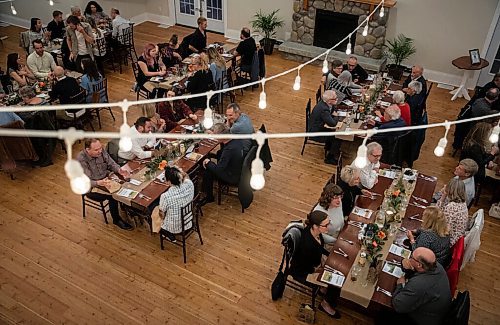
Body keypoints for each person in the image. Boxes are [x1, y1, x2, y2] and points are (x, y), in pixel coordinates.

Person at [288, 211, 341, 318]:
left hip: (311, 266)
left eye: (328, 223)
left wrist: (330, 255)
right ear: (315, 226)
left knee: (335, 270)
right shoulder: (307, 246)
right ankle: (325, 304)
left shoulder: (314, 232)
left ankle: (323, 290)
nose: (328, 227)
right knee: (336, 281)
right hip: (303, 272)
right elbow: (307, 267)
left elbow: (320, 249)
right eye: (326, 225)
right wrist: (322, 270)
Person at [77, 138, 133, 230]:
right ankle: (116, 219)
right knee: (113, 196)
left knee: (125, 182)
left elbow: (111, 163)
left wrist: (119, 170)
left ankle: (126, 207)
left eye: (100, 148)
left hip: (105, 178)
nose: (100, 151)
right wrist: (98, 182)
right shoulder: (81, 160)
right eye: (96, 150)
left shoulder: (101, 151)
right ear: (88, 150)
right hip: (91, 186)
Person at [390, 247, 451, 325]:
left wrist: (400, 285)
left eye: (411, 257)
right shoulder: (436, 266)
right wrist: (408, 267)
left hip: (422, 319)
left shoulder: (419, 284)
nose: (409, 258)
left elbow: (398, 306)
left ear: (419, 265)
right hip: (436, 310)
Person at [200, 123, 244, 205]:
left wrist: (208, 163)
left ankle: (209, 197)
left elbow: (219, 169)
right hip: (238, 168)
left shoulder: (229, 150)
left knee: (207, 173)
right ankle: (203, 188)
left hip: (232, 176)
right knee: (218, 153)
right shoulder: (234, 139)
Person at [158, 166, 195, 242]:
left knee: (153, 210)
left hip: (174, 228)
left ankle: (168, 234)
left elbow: (162, 214)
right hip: (188, 220)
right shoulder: (189, 184)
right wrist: (178, 171)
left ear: (169, 181)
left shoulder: (165, 196)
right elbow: (186, 176)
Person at [307, 90, 341, 164]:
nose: (337, 100)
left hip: (319, 126)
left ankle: (329, 147)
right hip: (316, 132)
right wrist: (337, 116)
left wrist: (334, 113)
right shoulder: (324, 109)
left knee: (335, 134)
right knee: (338, 137)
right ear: (329, 101)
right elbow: (333, 124)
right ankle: (329, 158)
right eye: (335, 99)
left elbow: (333, 110)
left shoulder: (325, 104)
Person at [436, 177, 469, 246]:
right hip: (456, 237)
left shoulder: (451, 207)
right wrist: (444, 196)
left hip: (448, 241)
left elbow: (443, 229)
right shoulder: (462, 202)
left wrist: (443, 197)